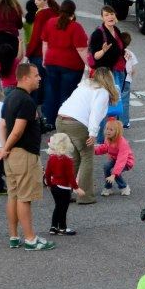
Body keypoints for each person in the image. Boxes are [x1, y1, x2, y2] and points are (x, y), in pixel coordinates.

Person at [0, 63, 53, 250]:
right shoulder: (26, 101)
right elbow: (18, 131)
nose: (39, 78)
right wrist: (6, 148)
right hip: (24, 154)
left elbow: (2, 126)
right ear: (25, 78)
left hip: (11, 155)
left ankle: (14, 236)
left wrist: (5, 149)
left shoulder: (10, 97)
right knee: (24, 197)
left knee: (13, 195)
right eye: (36, 75)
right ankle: (30, 239)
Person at [55, 68, 118, 204]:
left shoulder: (84, 85)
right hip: (77, 123)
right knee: (86, 157)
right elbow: (95, 113)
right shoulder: (102, 92)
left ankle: (64, 193)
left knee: (73, 158)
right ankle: (85, 196)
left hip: (61, 119)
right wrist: (93, 133)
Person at [41, 0, 89, 129]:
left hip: (51, 62)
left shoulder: (50, 22)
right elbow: (81, 49)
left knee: (51, 92)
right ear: (72, 13)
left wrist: (44, 59)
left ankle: (49, 121)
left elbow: (45, 43)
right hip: (71, 65)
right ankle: (64, 122)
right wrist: (90, 65)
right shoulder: (75, 27)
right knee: (66, 94)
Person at [42, 132, 85, 235]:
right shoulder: (67, 160)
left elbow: (47, 173)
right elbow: (70, 177)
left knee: (57, 207)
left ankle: (53, 227)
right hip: (64, 188)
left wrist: (49, 184)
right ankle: (62, 228)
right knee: (63, 208)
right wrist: (76, 188)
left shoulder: (52, 158)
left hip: (54, 186)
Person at [26, 0, 60, 106]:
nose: (36, 2)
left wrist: (28, 53)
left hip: (39, 54)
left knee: (37, 85)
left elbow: (36, 37)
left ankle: (36, 109)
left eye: (39, 0)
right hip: (53, 54)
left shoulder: (41, 14)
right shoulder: (55, 12)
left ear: (46, 0)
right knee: (49, 84)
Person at [95, 118, 134, 197]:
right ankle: (108, 187)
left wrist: (113, 175)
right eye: (107, 129)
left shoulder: (122, 143)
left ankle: (124, 187)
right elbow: (105, 148)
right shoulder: (108, 139)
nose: (108, 131)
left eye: (111, 130)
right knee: (106, 167)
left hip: (126, 162)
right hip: (115, 159)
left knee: (115, 171)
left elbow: (121, 160)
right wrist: (94, 150)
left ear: (117, 132)